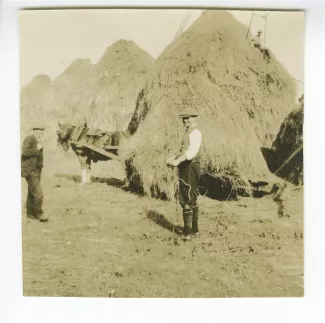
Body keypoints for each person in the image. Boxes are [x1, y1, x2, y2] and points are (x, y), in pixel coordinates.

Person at [166, 108, 202, 240]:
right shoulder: (188, 131)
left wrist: (177, 162)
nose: (185, 120)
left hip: (191, 167)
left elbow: (191, 152)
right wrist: (172, 158)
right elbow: (183, 150)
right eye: (183, 118)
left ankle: (188, 232)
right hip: (186, 166)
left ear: (194, 117)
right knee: (188, 196)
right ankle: (193, 229)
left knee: (187, 197)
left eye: (188, 118)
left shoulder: (196, 132)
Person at [21, 126, 48, 222]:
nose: (43, 132)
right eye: (41, 130)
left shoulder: (38, 139)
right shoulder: (30, 138)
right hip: (30, 169)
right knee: (38, 193)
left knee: (32, 191)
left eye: (43, 130)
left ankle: (30, 214)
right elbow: (25, 152)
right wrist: (37, 148)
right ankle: (39, 215)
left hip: (36, 169)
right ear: (35, 131)